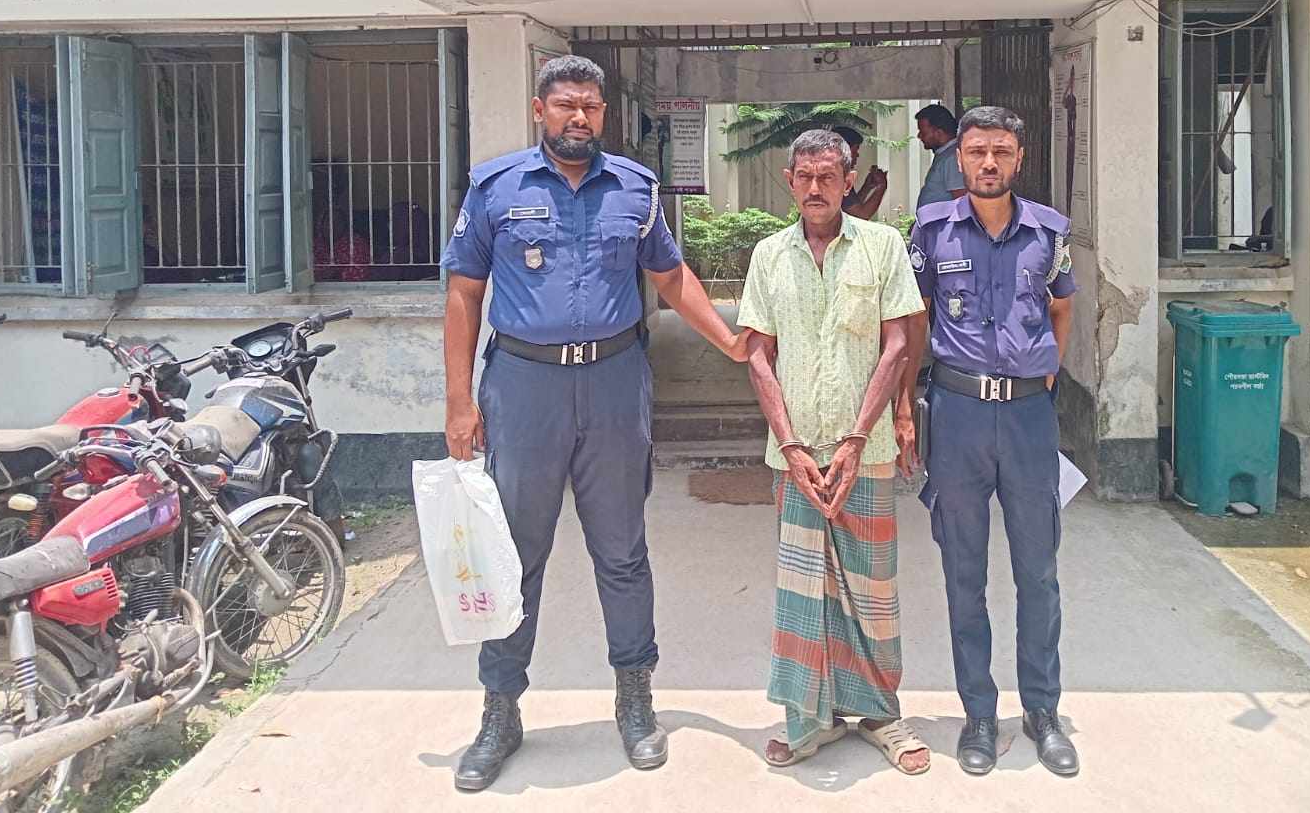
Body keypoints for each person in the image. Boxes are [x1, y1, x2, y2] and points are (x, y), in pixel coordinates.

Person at [440, 55, 751, 793]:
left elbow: (670, 276)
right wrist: (459, 403)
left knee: (622, 551)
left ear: (604, 114)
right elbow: (464, 294)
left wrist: (731, 342)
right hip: (524, 388)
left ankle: (635, 700)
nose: (578, 118)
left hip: (613, 382)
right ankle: (500, 710)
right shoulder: (495, 187)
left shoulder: (635, 189)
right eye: (565, 105)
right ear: (539, 110)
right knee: (517, 555)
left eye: (590, 106)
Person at [737, 129, 930, 776]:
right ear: (789, 181)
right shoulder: (769, 255)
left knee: (871, 587)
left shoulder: (882, 246)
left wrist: (857, 437)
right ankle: (809, 719)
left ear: (850, 181)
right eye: (805, 177)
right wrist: (790, 443)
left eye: (828, 177)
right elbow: (758, 354)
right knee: (804, 590)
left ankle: (879, 714)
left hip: (864, 450)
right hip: (794, 455)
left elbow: (897, 344)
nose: (816, 188)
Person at [902, 106, 1080, 779]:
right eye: (977, 150)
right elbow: (913, 320)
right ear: (960, 157)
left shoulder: (1049, 233)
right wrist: (906, 407)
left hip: (1029, 418)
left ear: (1018, 158)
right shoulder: (931, 230)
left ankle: (1042, 711)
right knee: (963, 573)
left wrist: (1046, 374)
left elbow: (1062, 307)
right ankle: (978, 712)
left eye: (1001, 151)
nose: (988, 162)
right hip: (958, 416)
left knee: (1039, 571)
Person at [914, 104, 966, 210]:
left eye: (923, 132)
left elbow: (962, 202)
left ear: (939, 133)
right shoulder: (945, 155)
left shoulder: (953, 158)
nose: (919, 136)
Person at [833, 125, 888, 219]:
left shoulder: (838, 172)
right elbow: (861, 215)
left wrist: (867, 187)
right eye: (855, 150)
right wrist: (882, 186)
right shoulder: (837, 176)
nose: (857, 155)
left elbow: (851, 207)